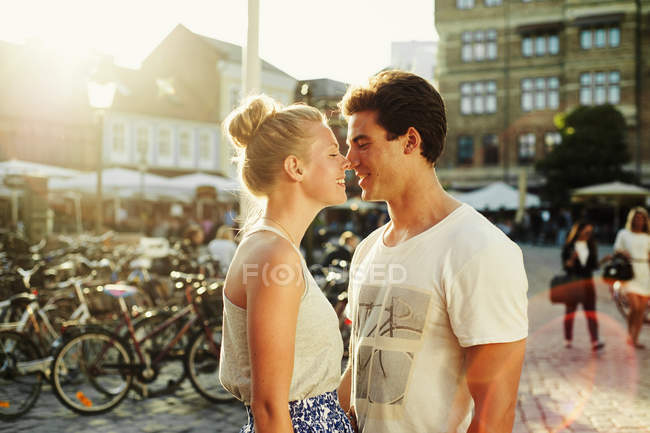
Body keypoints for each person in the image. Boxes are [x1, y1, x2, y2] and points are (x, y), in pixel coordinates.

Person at [337, 70, 528, 433]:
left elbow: (495, 415)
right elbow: (360, 364)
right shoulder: (366, 251)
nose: (349, 159)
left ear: (410, 141)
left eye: (362, 144)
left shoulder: (480, 249)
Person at [218, 95, 354, 433]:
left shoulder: (273, 247)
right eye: (334, 153)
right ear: (295, 167)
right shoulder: (273, 254)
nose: (346, 163)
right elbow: (269, 409)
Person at [561, 221, 605, 350]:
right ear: (579, 231)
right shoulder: (569, 246)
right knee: (570, 312)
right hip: (573, 283)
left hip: (588, 283)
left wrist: (603, 261)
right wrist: (572, 259)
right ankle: (568, 338)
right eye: (586, 231)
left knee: (591, 312)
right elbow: (565, 266)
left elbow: (593, 266)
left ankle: (595, 341)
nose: (588, 234)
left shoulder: (591, 246)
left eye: (590, 232)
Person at [613, 207, 650, 349]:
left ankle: (634, 339)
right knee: (634, 306)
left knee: (641, 309)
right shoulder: (623, 234)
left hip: (644, 272)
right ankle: (629, 334)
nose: (639, 221)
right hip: (629, 272)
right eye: (637, 218)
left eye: (642, 218)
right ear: (632, 219)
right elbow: (616, 249)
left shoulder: (647, 237)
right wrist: (623, 252)